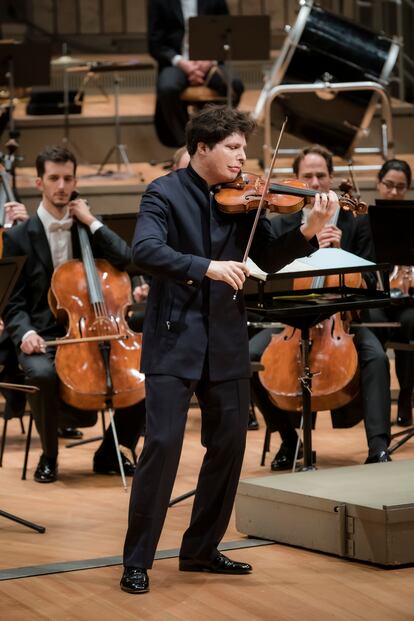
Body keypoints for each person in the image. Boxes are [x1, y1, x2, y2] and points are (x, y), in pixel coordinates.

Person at [120, 105, 340, 594]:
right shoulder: (163, 193)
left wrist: (307, 230)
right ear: (203, 149)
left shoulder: (245, 200)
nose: (243, 158)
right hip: (174, 338)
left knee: (230, 446)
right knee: (162, 447)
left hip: (224, 337)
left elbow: (263, 259)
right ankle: (137, 559)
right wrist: (207, 266)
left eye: (244, 148)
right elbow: (145, 251)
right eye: (234, 148)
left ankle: (200, 549)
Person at [2, 146, 145, 483]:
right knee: (41, 375)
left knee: (145, 369)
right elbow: (13, 302)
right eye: (54, 178)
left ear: (76, 181)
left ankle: (112, 453)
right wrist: (25, 334)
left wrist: (92, 221)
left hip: (96, 330)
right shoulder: (18, 237)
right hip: (45, 337)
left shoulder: (89, 230)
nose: (62, 186)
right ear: (39, 182)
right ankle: (49, 456)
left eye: (68, 178)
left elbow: (128, 259)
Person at [250, 144, 392, 470]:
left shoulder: (356, 221)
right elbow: (271, 276)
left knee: (376, 358)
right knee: (249, 359)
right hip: (292, 318)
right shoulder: (283, 222)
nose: (315, 183)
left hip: (344, 321)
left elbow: (373, 279)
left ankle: (378, 447)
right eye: (308, 176)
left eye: (321, 175)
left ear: (331, 178)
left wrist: (343, 252)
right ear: (297, 180)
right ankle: (290, 439)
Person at [148, 0, 244, 148]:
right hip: (177, 62)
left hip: (209, 60)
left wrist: (209, 60)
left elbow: (226, 34)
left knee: (235, 86)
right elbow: (155, 44)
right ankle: (185, 146)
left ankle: (215, 138)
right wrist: (183, 63)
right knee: (167, 88)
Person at [368, 158, 414, 426]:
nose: (394, 192)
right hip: (378, 297)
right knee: (370, 325)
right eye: (389, 185)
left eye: (401, 187)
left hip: (407, 298)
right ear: (378, 183)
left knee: (411, 322)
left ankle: (406, 393)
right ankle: (376, 400)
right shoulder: (366, 219)